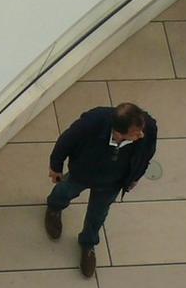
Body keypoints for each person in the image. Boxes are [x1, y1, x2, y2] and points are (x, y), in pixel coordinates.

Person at [47, 102, 158, 278]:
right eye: (135, 133)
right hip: (83, 173)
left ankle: (88, 244)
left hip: (113, 182)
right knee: (64, 192)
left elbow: (148, 153)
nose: (141, 135)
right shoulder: (93, 121)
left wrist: (136, 176)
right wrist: (56, 167)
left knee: (98, 214)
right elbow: (66, 141)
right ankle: (54, 209)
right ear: (119, 133)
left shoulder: (147, 126)